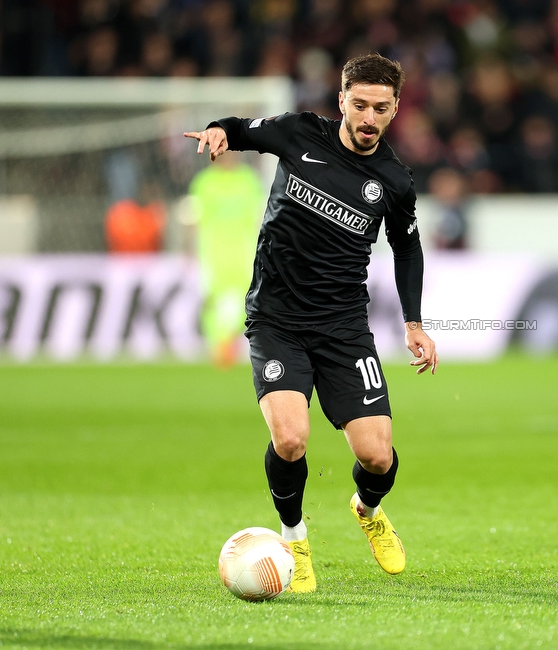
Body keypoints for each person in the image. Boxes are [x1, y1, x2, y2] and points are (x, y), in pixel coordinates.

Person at [184, 53, 438, 593]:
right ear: (342, 99)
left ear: (395, 110)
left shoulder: (394, 179)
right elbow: (239, 128)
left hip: (343, 325)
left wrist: (414, 323)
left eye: (382, 108)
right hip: (276, 318)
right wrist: (217, 132)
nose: (369, 118)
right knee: (292, 439)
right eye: (361, 104)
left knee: (377, 454)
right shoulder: (300, 133)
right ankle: (294, 539)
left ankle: (367, 510)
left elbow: (407, 250)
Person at [186, 152, 265, 368]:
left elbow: (261, 217)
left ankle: (226, 340)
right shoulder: (204, 182)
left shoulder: (249, 180)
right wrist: (188, 249)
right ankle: (219, 346)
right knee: (212, 301)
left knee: (248, 300)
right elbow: (192, 217)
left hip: (243, 252)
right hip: (212, 254)